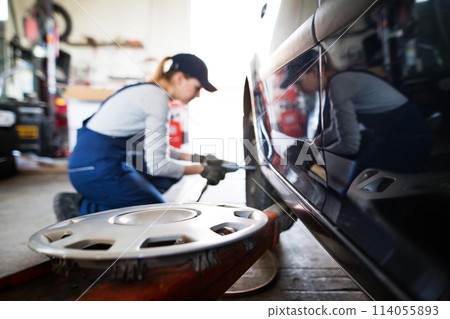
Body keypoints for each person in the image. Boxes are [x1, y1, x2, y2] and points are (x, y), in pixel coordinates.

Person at [55, 54, 228, 220]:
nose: (198, 94)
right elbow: (158, 165)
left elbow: (156, 147)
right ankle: (80, 208)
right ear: (180, 78)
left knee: (152, 194)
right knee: (154, 215)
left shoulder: (148, 92)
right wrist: (202, 170)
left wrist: (199, 159)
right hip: (97, 170)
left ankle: (105, 199)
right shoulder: (156, 99)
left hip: (89, 166)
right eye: (198, 88)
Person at [280, 49, 433, 176]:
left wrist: (316, 154)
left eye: (298, 83)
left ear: (314, 71)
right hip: (395, 135)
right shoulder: (335, 84)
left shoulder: (339, 85)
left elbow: (349, 146)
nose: (297, 90)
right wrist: (317, 142)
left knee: (360, 174)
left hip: (412, 139)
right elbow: (335, 129)